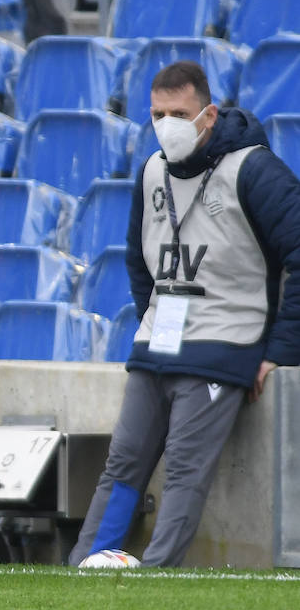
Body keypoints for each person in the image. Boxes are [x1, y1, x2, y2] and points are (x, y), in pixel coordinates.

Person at [70, 61, 300, 568]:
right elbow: (138, 258)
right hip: (157, 346)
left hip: (222, 346)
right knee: (122, 465)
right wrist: (151, 320)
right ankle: (86, 566)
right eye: (157, 113)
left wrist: (282, 349)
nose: (166, 124)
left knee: (184, 472)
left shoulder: (254, 169)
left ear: (209, 115)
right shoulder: (151, 170)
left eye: (180, 113)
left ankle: (155, 575)